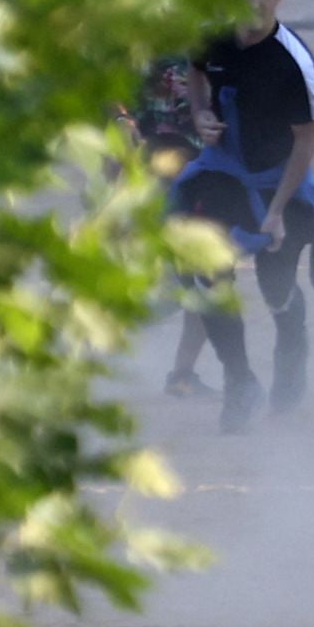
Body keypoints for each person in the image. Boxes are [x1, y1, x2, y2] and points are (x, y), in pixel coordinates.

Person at [173, 0, 314, 432]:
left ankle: (291, 356)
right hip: (224, 174)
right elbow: (195, 75)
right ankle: (239, 380)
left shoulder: (293, 59)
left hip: (279, 181)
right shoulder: (211, 36)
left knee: (276, 289)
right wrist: (198, 116)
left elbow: (306, 142)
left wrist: (276, 213)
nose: (250, 5)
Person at [118, 58, 215, 398]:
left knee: (201, 285)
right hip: (178, 181)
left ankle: (182, 374)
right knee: (200, 285)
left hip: (190, 178)